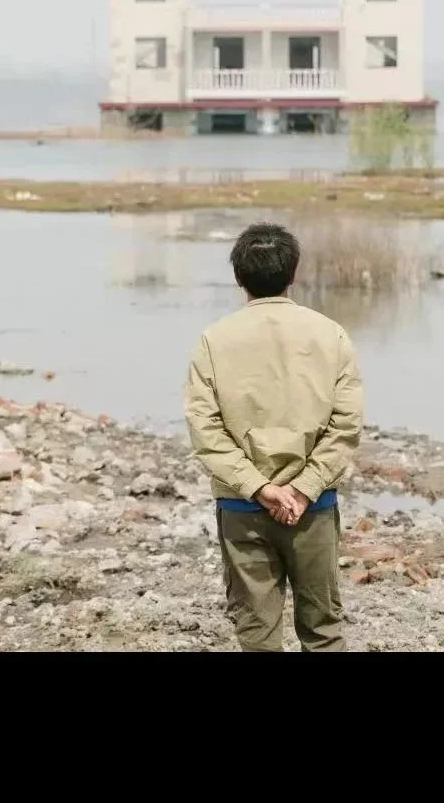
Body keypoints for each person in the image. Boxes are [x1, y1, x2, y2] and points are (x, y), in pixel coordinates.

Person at [183, 222, 364, 652]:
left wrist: (260, 488)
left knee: (256, 633)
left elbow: (205, 429)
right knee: (323, 630)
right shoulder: (330, 334)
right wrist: (301, 489)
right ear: (293, 274)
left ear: (238, 277)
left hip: (242, 507)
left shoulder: (213, 340)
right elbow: (346, 425)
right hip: (313, 507)